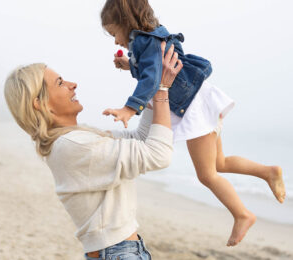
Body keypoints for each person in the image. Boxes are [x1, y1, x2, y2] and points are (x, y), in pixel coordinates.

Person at [100, 0, 286, 246]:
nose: (115, 41)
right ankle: (267, 171)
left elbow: (152, 78)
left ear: (127, 21)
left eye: (114, 33)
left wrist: (129, 108)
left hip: (193, 109)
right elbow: (150, 70)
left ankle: (242, 214)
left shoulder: (145, 42)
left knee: (207, 175)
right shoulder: (149, 40)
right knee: (219, 163)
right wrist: (128, 65)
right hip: (201, 102)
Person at [4, 42, 182, 259]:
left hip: (119, 251)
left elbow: (141, 139)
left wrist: (151, 81)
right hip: (118, 253)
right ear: (40, 104)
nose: (73, 84)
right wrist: (162, 90)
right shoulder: (74, 146)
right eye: (60, 83)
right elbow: (158, 155)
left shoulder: (74, 141)